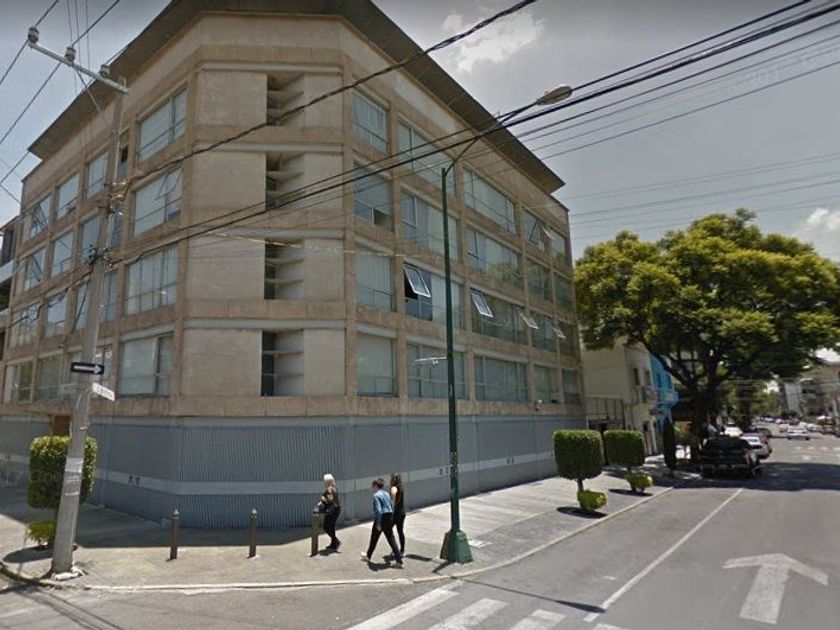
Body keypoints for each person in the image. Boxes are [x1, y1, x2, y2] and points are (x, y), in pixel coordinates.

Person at [361, 478, 402, 565]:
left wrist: (378, 523)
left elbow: (379, 510)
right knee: (391, 539)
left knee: (374, 538)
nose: (372, 487)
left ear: (376, 485)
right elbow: (391, 505)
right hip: (389, 516)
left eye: (373, 485)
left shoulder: (376, 495)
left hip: (381, 517)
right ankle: (399, 561)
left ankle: (368, 556)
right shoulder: (387, 494)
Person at [320, 474, 341, 550]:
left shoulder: (329, 489)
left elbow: (330, 500)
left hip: (332, 510)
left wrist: (323, 499)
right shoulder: (334, 488)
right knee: (331, 527)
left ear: (327, 482)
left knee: (326, 526)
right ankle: (334, 543)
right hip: (337, 509)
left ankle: (336, 541)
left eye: (324, 481)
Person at [390, 473, 406, 557]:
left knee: (388, 529)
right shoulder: (401, 488)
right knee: (400, 532)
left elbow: (393, 499)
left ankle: (395, 549)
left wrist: (391, 502)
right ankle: (401, 550)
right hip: (401, 513)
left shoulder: (394, 488)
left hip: (396, 513)